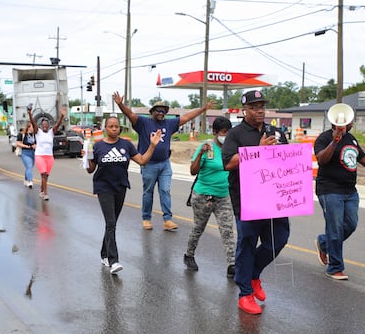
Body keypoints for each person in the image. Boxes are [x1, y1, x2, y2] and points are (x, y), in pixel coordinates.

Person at [222, 90, 290, 315]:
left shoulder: (276, 132)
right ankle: (244, 294)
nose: (260, 110)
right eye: (254, 106)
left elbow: (287, 160)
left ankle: (253, 275)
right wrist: (258, 151)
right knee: (247, 243)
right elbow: (229, 163)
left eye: (262, 106)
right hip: (247, 199)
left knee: (278, 240)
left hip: (274, 198)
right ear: (245, 110)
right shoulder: (235, 134)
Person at [313, 104, 365, 280]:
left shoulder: (352, 139)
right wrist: (334, 141)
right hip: (329, 190)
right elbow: (322, 160)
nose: (348, 125)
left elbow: (362, 158)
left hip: (350, 191)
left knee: (350, 224)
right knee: (334, 228)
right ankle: (335, 267)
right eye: (344, 122)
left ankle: (323, 243)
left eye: (349, 122)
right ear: (334, 123)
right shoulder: (323, 138)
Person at [113, 93, 214, 231]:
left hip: (165, 163)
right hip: (149, 164)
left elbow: (187, 117)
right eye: (158, 110)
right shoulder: (143, 123)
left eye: (164, 111)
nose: (162, 113)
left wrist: (203, 109)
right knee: (148, 192)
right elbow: (130, 114)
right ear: (152, 112)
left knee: (165, 190)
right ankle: (146, 218)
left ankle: (167, 219)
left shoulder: (169, 123)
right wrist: (120, 104)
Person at [85, 114, 162, 275]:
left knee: (111, 224)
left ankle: (104, 254)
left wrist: (152, 146)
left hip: (120, 187)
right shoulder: (98, 146)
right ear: (105, 128)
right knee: (111, 222)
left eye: (117, 126)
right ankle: (114, 261)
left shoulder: (126, 145)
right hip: (103, 187)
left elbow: (142, 161)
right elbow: (90, 169)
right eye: (111, 126)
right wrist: (87, 155)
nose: (114, 129)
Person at [183, 117, 236, 278]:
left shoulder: (232, 148)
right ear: (215, 132)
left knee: (227, 230)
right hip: (203, 196)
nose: (225, 136)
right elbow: (193, 170)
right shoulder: (207, 147)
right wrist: (201, 154)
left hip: (224, 195)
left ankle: (232, 264)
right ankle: (189, 254)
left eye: (228, 132)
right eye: (223, 132)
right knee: (198, 228)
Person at [28, 105, 65, 201]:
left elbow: (58, 124)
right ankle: (45, 194)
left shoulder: (51, 132)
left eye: (46, 125)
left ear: (48, 126)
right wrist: (29, 113)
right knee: (43, 174)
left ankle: (41, 190)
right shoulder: (38, 132)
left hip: (49, 157)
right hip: (40, 156)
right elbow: (33, 122)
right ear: (41, 125)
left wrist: (62, 116)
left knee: (46, 176)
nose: (45, 127)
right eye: (43, 125)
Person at [16, 124, 37, 188]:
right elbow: (18, 143)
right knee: (29, 166)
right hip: (25, 152)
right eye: (32, 127)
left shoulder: (35, 135)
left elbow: (38, 143)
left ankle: (26, 179)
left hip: (33, 153)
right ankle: (30, 181)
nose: (33, 128)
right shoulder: (22, 134)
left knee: (29, 168)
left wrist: (36, 146)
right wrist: (26, 146)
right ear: (28, 127)